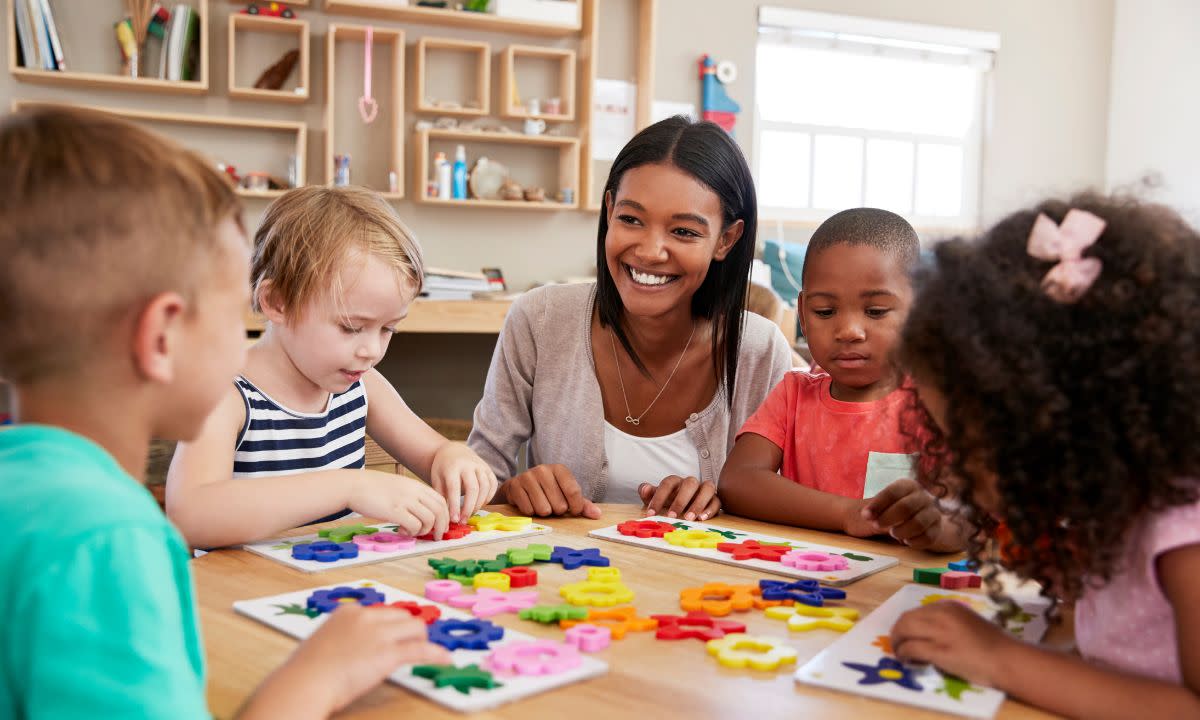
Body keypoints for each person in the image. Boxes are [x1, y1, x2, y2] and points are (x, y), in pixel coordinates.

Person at [0, 106, 449, 720]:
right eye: (228, 314)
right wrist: (319, 679)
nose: (241, 343)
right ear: (162, 337)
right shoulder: (106, 541)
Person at [890, 194, 1200, 717]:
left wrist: (1000, 659)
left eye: (967, 446)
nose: (956, 468)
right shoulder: (1110, 506)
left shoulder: (1183, 529)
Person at [469, 116, 793, 521]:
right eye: (631, 219)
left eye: (684, 232)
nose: (650, 251)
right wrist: (511, 492)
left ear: (726, 240)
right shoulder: (540, 319)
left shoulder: (760, 351)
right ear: (609, 210)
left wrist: (721, 505)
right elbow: (476, 478)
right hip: (566, 581)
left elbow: (782, 509)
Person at [169, 186, 497, 548]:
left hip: (335, 591)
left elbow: (434, 452)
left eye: (388, 329)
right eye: (351, 327)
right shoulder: (225, 394)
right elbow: (190, 516)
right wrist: (348, 486)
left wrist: (454, 457)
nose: (371, 349)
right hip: (234, 595)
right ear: (277, 301)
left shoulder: (363, 385)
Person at [721, 208, 965, 551]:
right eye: (825, 311)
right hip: (805, 580)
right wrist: (847, 514)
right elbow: (737, 481)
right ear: (803, 313)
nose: (848, 331)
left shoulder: (938, 402)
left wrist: (936, 528)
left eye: (876, 311)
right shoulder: (793, 394)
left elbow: (971, 515)